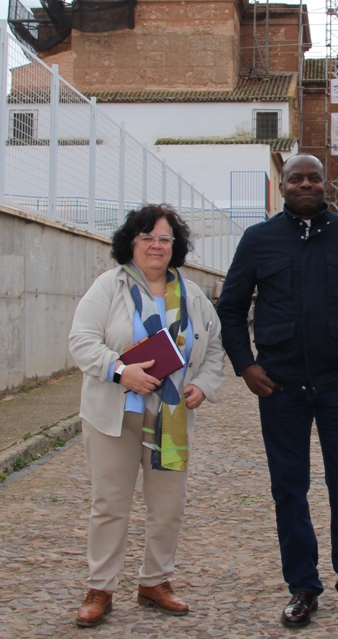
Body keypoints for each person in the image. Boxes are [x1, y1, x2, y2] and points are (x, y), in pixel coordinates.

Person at [216, 154, 338, 632]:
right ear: (283, 187)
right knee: (289, 490)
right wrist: (246, 365)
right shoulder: (258, 240)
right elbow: (230, 309)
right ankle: (302, 588)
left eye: (314, 178)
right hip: (280, 389)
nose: (305, 184)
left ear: (325, 185)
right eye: (295, 178)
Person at [69, 204, 224, 628]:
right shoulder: (109, 287)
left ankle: (155, 581)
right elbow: (81, 342)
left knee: (168, 506)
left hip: (170, 418)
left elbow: (213, 350)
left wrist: (203, 386)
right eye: (147, 237)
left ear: (175, 247)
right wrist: (122, 371)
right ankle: (100, 587)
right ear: (131, 243)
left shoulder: (191, 295)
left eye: (164, 239)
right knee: (109, 504)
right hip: (113, 416)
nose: (156, 246)